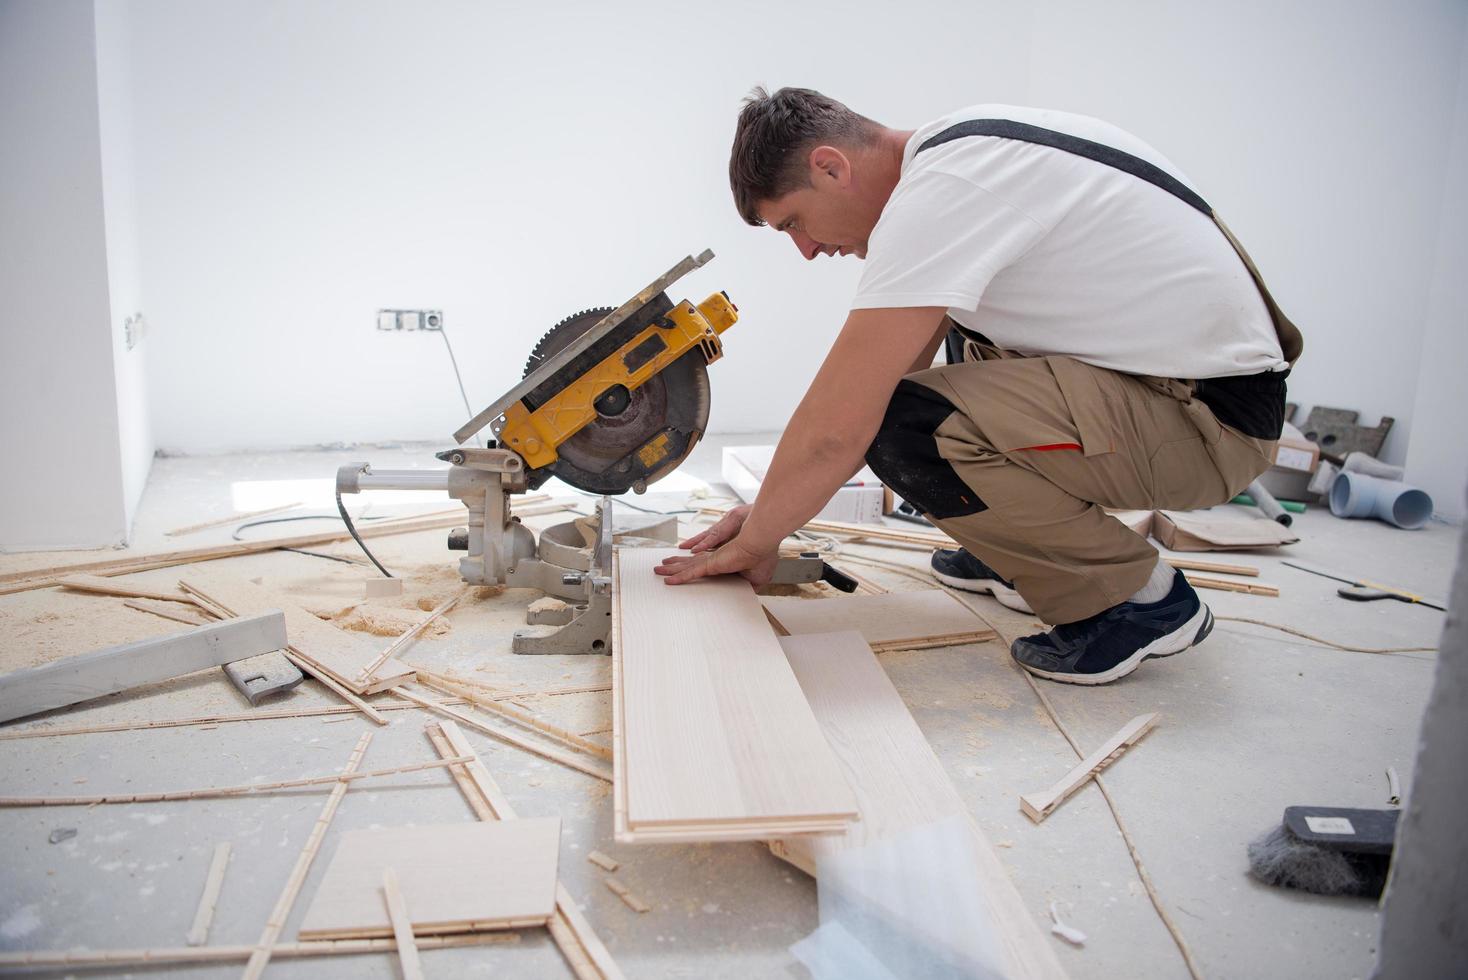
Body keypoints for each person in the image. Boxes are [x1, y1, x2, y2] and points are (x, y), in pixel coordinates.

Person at [655, 87, 1301, 685]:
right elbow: (880, 382)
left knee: (911, 427)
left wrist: (760, 538)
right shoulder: (960, 154)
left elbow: (842, 424)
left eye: (793, 221)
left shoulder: (946, 192)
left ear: (830, 167)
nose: (807, 250)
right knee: (940, 370)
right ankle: (1025, 553)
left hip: (1206, 424)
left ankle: (1140, 602)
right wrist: (772, 508)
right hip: (1175, 391)